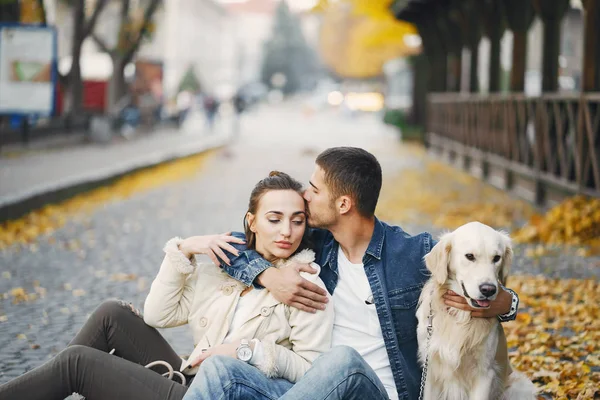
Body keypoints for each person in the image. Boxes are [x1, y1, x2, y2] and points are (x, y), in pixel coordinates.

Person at [186, 147, 520, 400]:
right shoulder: (316, 243)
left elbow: (472, 264)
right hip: (311, 388)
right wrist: (266, 276)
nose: (305, 195)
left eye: (315, 190)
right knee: (220, 370)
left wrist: (505, 302)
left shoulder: (413, 253)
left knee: (343, 359)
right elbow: (241, 244)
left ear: (343, 204)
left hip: (376, 392)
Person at [0, 171, 334, 400]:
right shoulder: (225, 267)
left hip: (220, 392)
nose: (286, 231)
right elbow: (157, 314)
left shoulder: (303, 284)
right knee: (111, 314)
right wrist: (184, 249)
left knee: (77, 363)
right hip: (189, 377)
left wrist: (246, 351)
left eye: (297, 220)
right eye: (274, 219)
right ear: (252, 221)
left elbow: (314, 374)